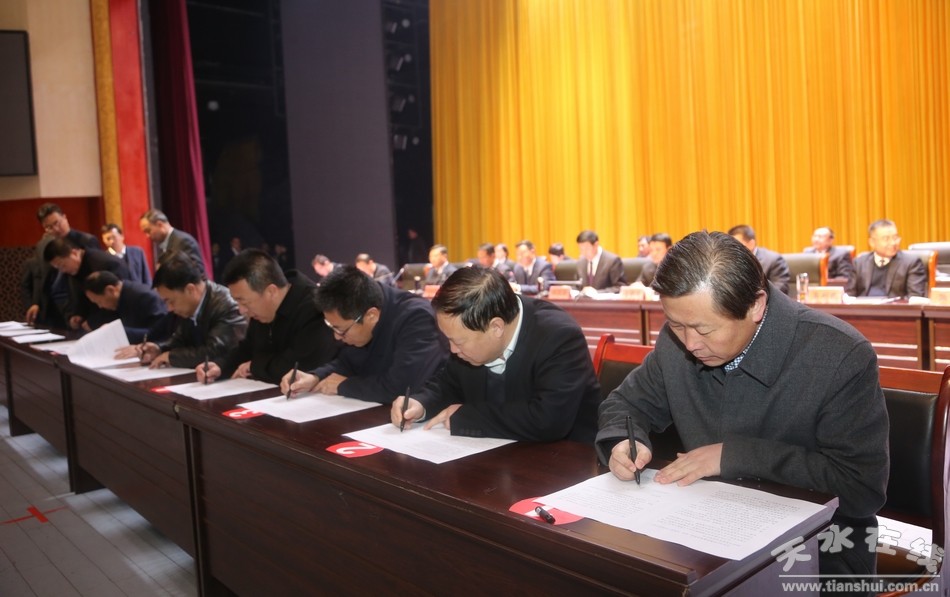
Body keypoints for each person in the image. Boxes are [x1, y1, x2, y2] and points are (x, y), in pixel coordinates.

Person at [596, 230, 888, 581]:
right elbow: (626, 403)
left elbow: (861, 488)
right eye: (676, 325)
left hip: (818, 549)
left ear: (756, 306)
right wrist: (623, 440)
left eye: (704, 330)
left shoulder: (837, 354)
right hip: (706, 530)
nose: (689, 344)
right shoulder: (678, 339)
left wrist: (733, 456)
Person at [392, 267, 602, 442]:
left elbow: (548, 420)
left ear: (496, 327)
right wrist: (421, 403)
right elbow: (449, 383)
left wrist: (466, 417)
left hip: (564, 459)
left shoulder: (558, 337)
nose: (452, 349)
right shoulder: (469, 333)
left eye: (458, 342)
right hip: (496, 453)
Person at [280, 265, 447, 403]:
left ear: (371, 316)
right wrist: (315, 376)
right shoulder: (361, 308)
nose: (337, 337)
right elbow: (348, 362)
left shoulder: (416, 318)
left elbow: (402, 387)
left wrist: (344, 386)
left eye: (341, 330)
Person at [197, 249, 338, 384]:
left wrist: (254, 366)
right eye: (237, 302)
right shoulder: (262, 310)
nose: (241, 310)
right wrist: (220, 366)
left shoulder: (314, 307)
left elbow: (299, 367)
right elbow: (248, 348)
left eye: (244, 302)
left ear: (271, 291)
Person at [116, 252, 247, 369]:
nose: (169, 308)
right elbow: (180, 340)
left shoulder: (226, 305)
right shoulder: (190, 306)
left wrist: (171, 356)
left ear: (190, 289)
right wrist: (159, 348)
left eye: (171, 301)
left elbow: (214, 352)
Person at [25, 203, 101, 326]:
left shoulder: (86, 241)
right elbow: (40, 276)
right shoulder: (42, 246)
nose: (55, 229)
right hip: (52, 309)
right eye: (48, 227)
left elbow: (96, 278)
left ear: (65, 217)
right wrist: (36, 302)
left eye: (57, 223)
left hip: (79, 308)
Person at [43, 237, 132, 330]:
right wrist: (77, 315)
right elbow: (78, 298)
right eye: (58, 268)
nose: (62, 271)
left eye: (62, 265)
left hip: (118, 325)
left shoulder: (106, 264)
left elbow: (117, 300)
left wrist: (94, 321)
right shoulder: (72, 270)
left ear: (74, 253)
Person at [846, 219, 927, 299]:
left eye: (895, 238)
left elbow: (915, 298)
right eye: (886, 239)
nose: (893, 243)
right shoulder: (859, 263)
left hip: (894, 307)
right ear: (872, 242)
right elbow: (849, 296)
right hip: (863, 307)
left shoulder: (911, 263)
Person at [83, 271, 166, 342]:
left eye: (99, 302)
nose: (100, 306)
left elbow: (159, 333)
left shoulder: (145, 297)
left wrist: (117, 331)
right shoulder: (118, 299)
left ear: (110, 290)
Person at [139, 209, 207, 275]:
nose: (147, 236)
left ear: (160, 225)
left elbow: (198, 271)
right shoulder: (163, 246)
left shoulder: (184, 241)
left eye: (148, 231)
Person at [728, 224, 790, 295]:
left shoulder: (774, 260)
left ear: (751, 244)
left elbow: (780, 291)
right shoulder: (731, 261)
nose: (734, 250)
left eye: (738, 245)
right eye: (732, 246)